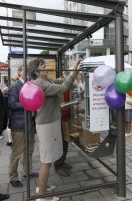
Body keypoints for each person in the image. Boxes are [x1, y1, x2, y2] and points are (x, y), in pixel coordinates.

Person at [29, 58, 81, 201]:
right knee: (46, 160)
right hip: (47, 125)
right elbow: (64, 87)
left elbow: (61, 80)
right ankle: (42, 196)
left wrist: (73, 70)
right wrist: (73, 72)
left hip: (50, 122)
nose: (46, 68)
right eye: (43, 67)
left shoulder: (47, 81)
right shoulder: (41, 84)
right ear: (37, 72)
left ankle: (42, 187)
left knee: (48, 158)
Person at [8, 66, 38, 188]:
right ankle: (13, 177)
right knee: (17, 152)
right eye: (25, 71)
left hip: (29, 123)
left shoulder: (29, 85)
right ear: (19, 72)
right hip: (19, 124)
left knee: (29, 150)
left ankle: (27, 172)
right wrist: (27, 103)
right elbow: (12, 104)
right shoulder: (15, 86)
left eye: (29, 72)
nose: (28, 73)